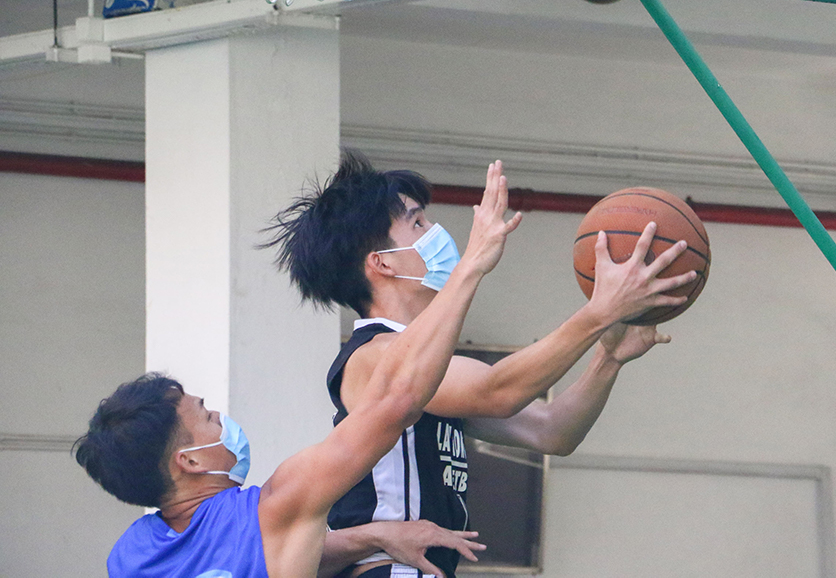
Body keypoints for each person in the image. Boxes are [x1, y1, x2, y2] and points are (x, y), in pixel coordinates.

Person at [73, 162, 523, 578]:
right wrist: (472, 266)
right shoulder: (273, 507)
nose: (223, 421)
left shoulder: (130, 556)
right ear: (189, 460)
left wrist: (374, 535)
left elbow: (277, 551)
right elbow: (398, 401)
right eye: (207, 417)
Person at [265, 153, 697, 578]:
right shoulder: (371, 355)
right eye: (418, 223)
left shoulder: (427, 369)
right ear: (382, 262)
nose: (436, 231)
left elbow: (552, 430)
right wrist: (597, 312)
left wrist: (608, 357)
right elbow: (497, 390)